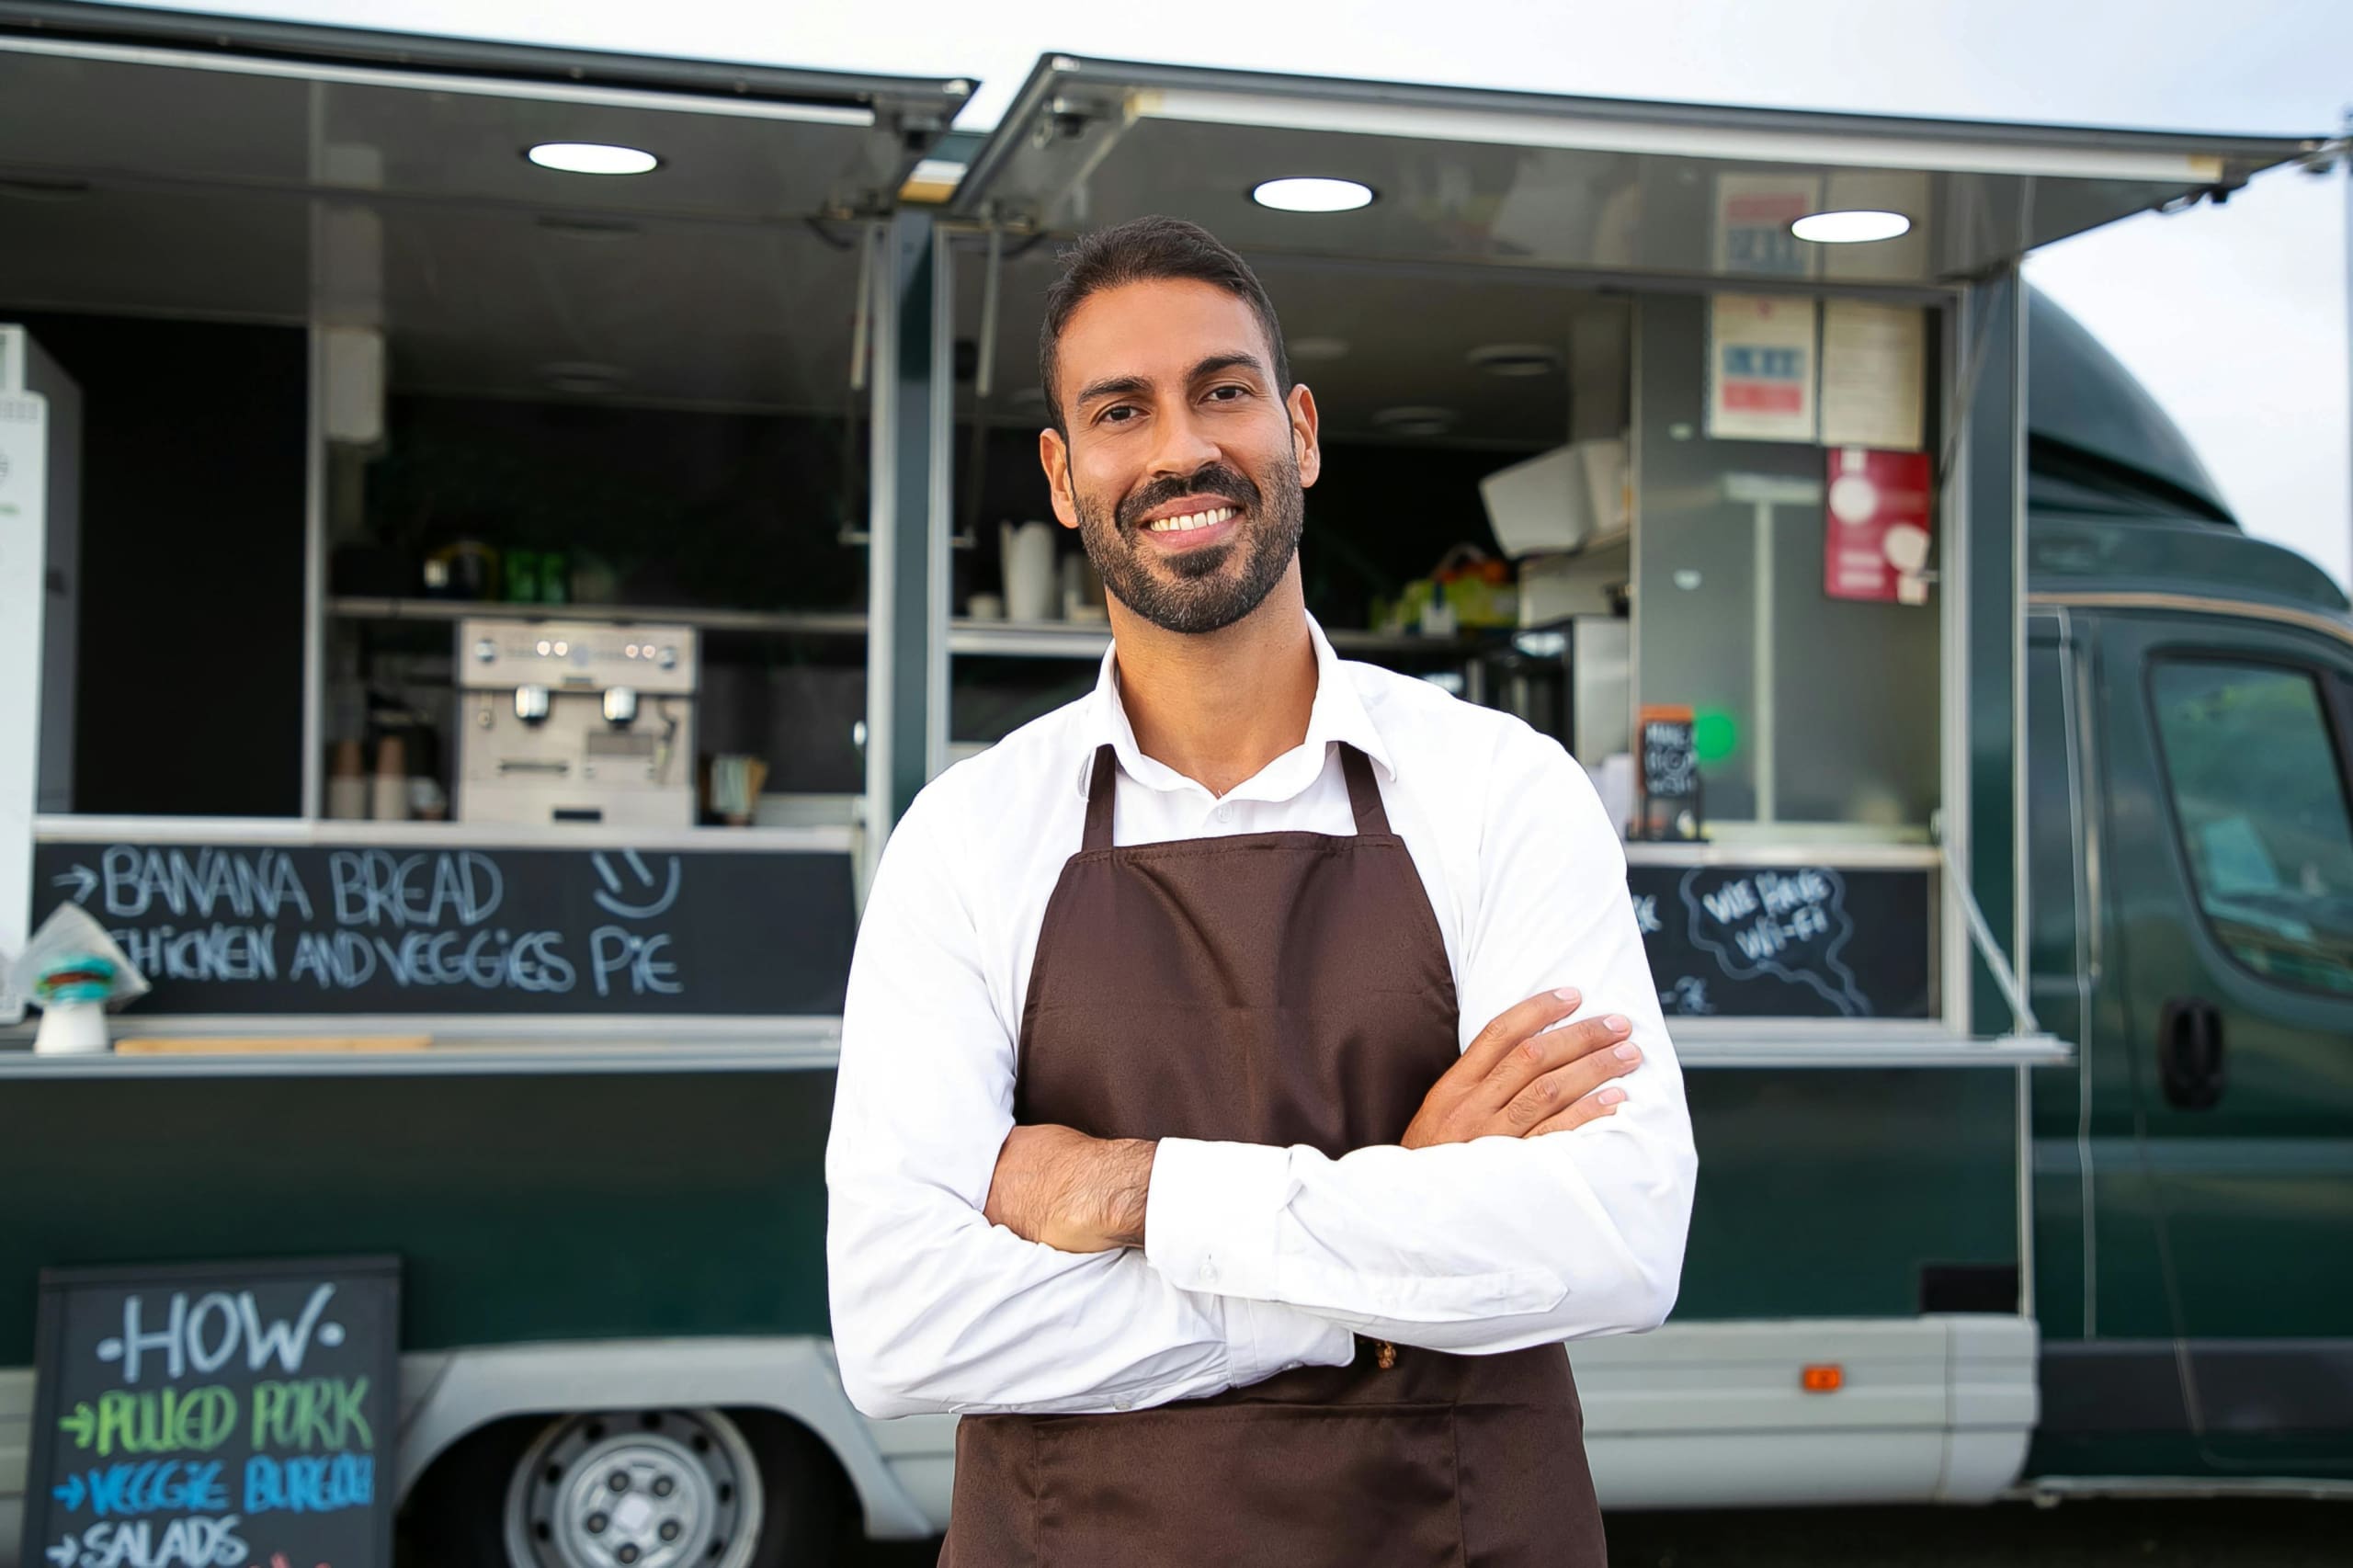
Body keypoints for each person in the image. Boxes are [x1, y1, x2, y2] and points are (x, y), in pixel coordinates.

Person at [825, 215, 1697, 1566]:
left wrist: (1136, 1191)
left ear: (1297, 429)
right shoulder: (967, 837)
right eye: (1122, 410)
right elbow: (900, 1320)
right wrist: (1377, 1255)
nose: (1181, 449)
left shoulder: (1499, 790)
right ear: (1062, 476)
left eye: (1220, 390)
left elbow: (1618, 1234)